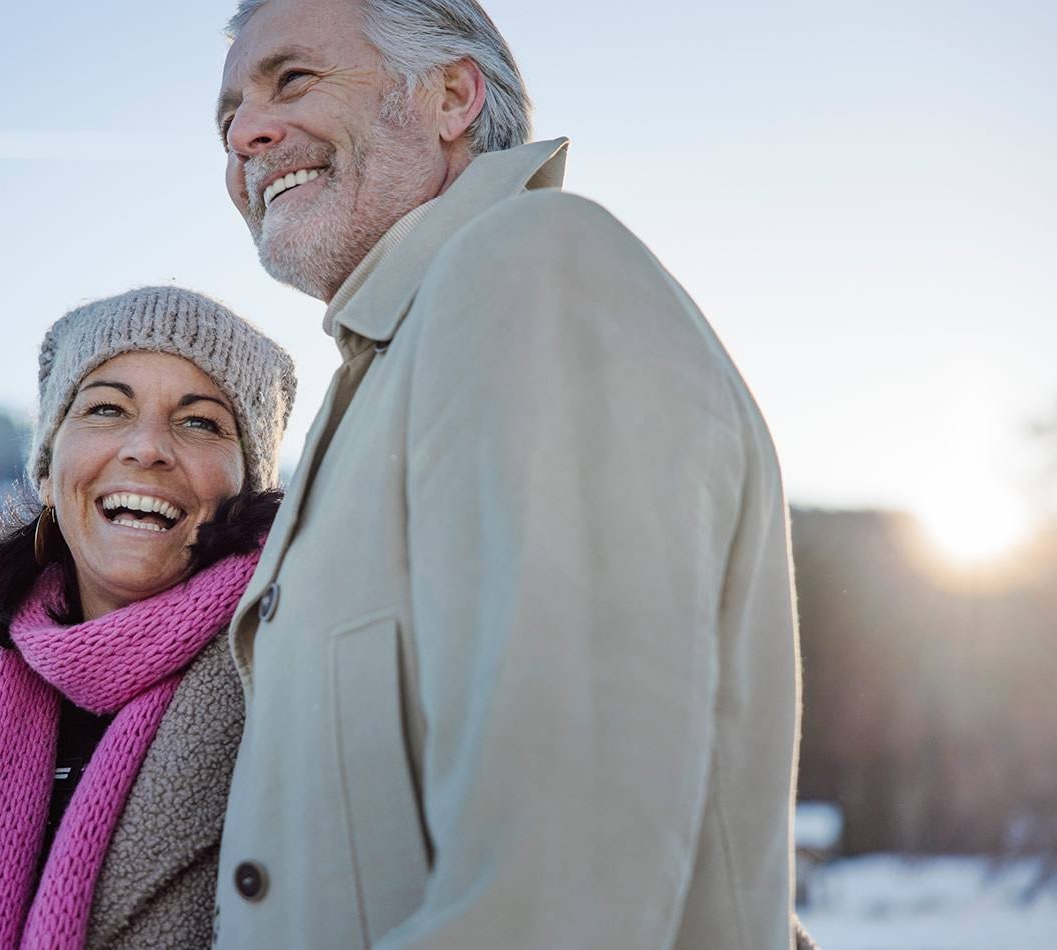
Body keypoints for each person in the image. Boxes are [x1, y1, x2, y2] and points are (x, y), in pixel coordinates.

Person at [212, 1, 806, 948]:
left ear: (452, 95)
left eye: (293, 78)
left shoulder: (531, 267)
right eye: (228, 115)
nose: (246, 132)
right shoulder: (382, 377)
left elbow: (563, 890)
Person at [0, 286, 296, 949]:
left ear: (246, 483)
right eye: (106, 409)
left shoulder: (298, 684)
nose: (147, 448)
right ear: (51, 468)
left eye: (200, 421)